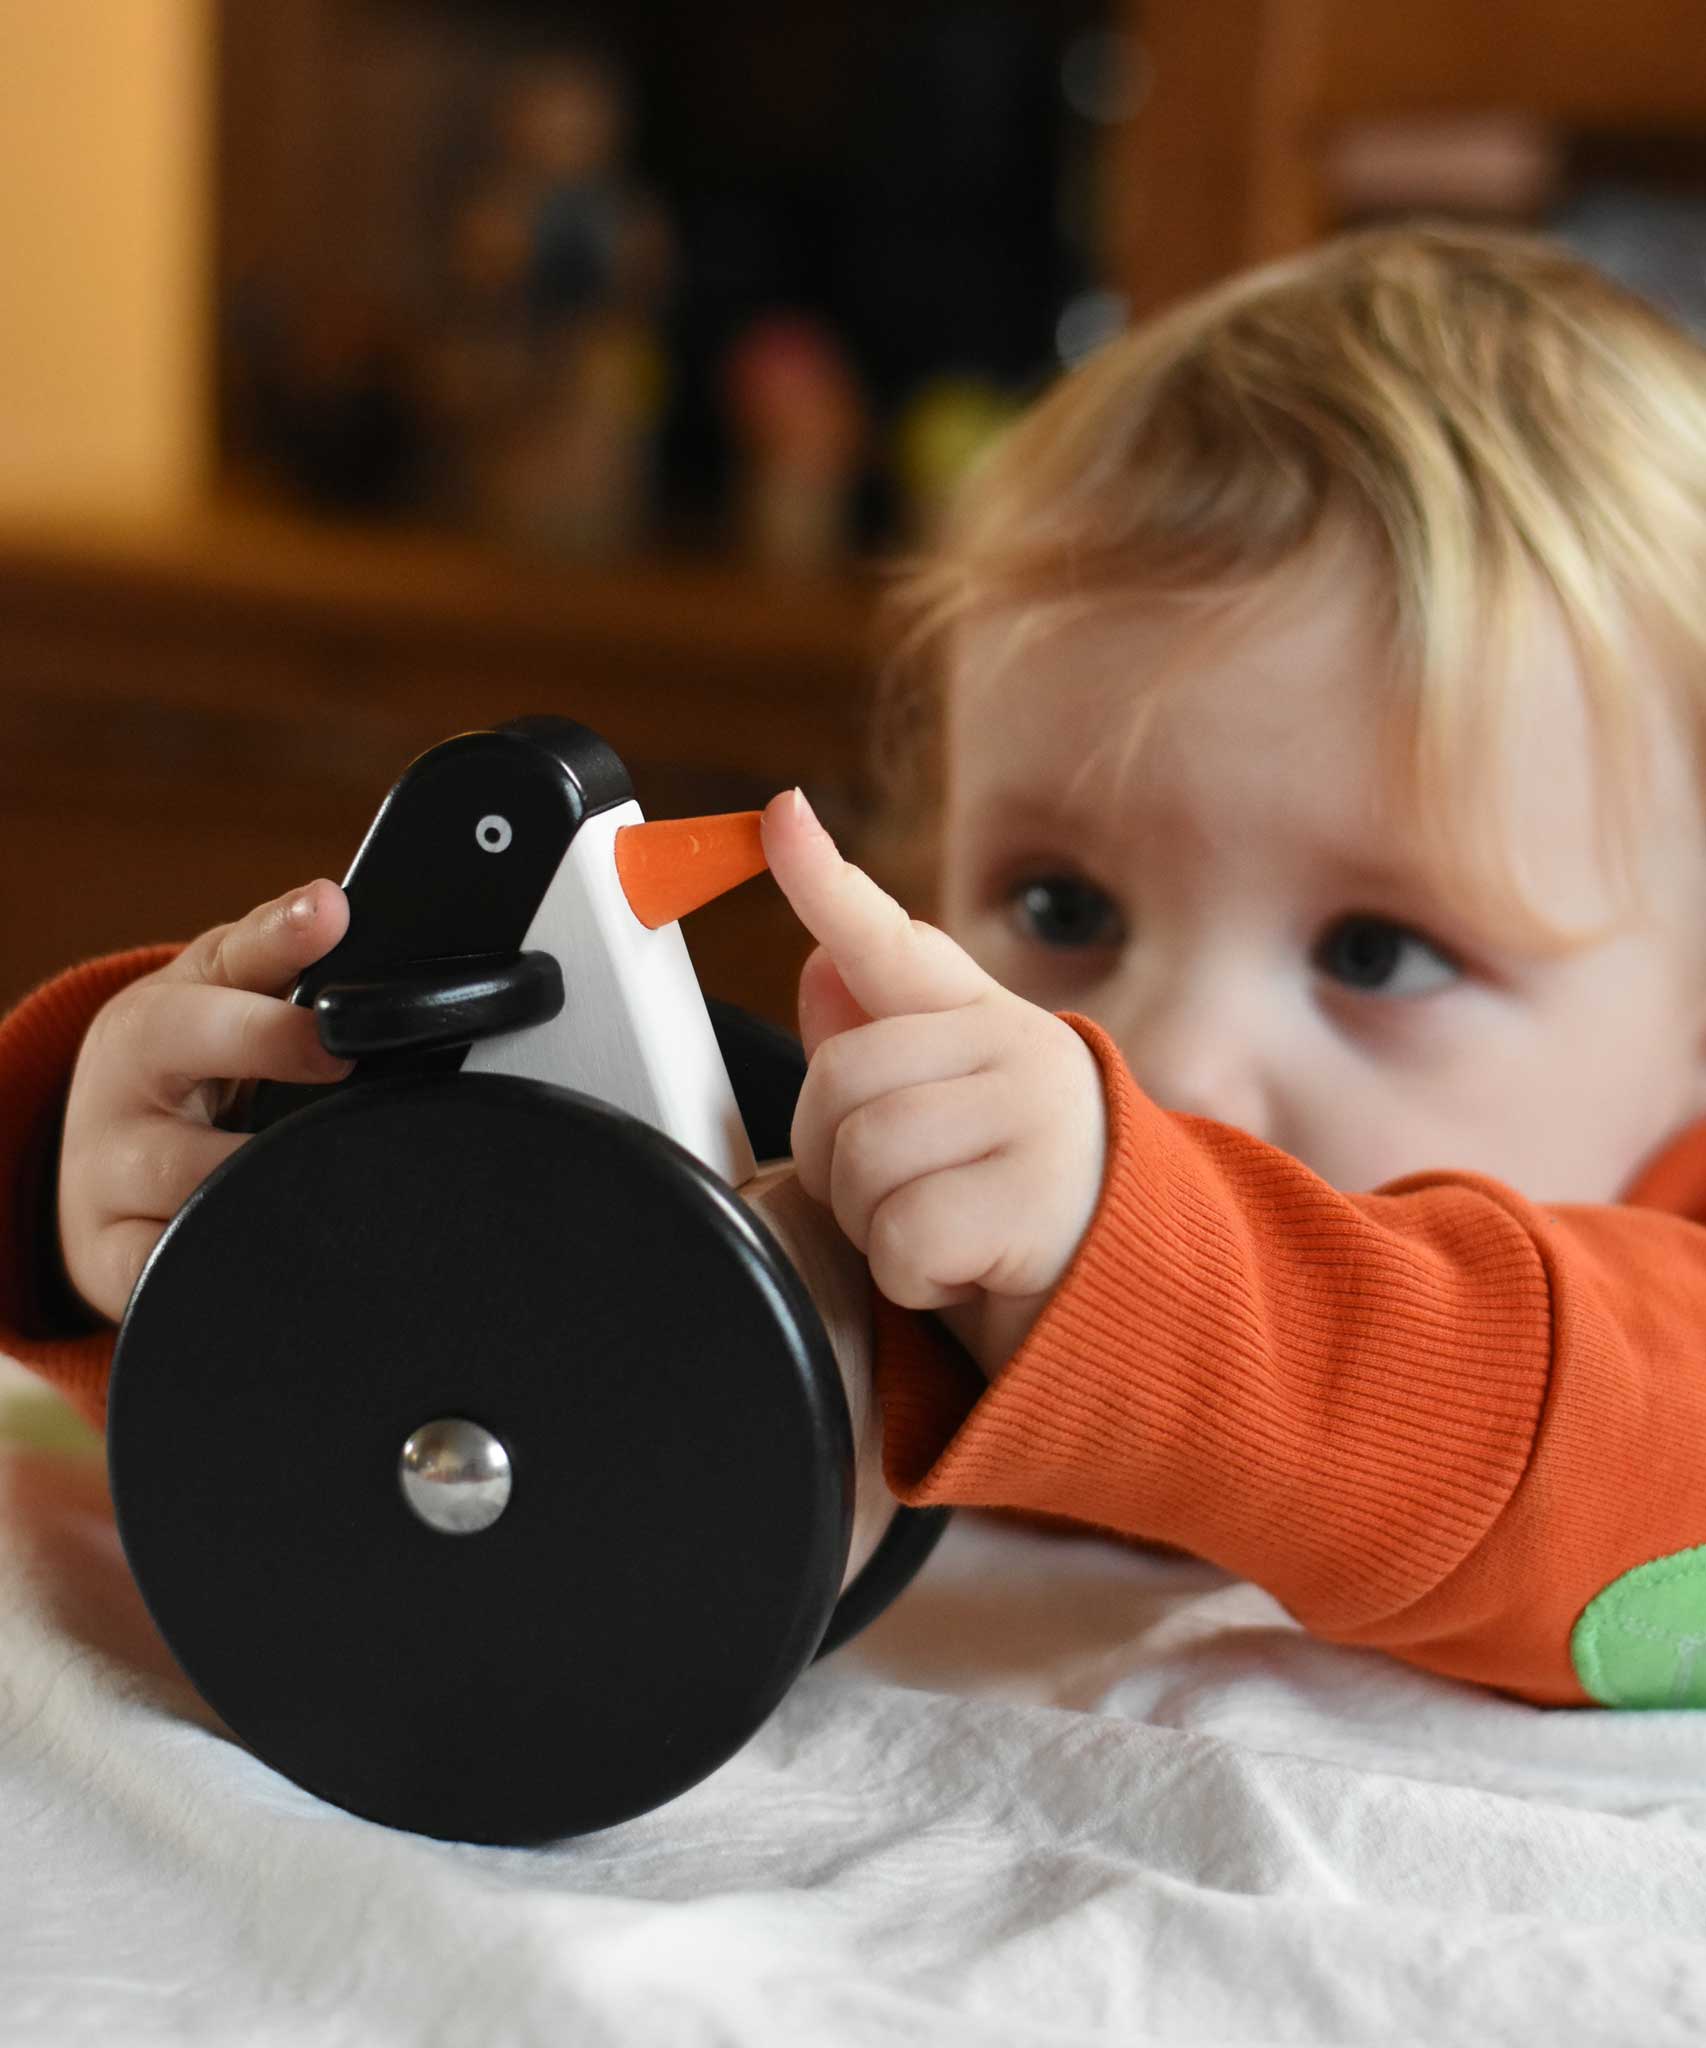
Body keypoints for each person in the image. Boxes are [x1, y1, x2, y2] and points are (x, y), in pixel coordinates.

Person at [7, 224, 1706, 1712]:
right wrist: (162, 1210)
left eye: (1371, 948)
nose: (1163, 1057)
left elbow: (1587, 1445)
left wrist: (1160, 1268)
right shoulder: (946, 1234)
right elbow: (457, 1456)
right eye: (1056, 906)